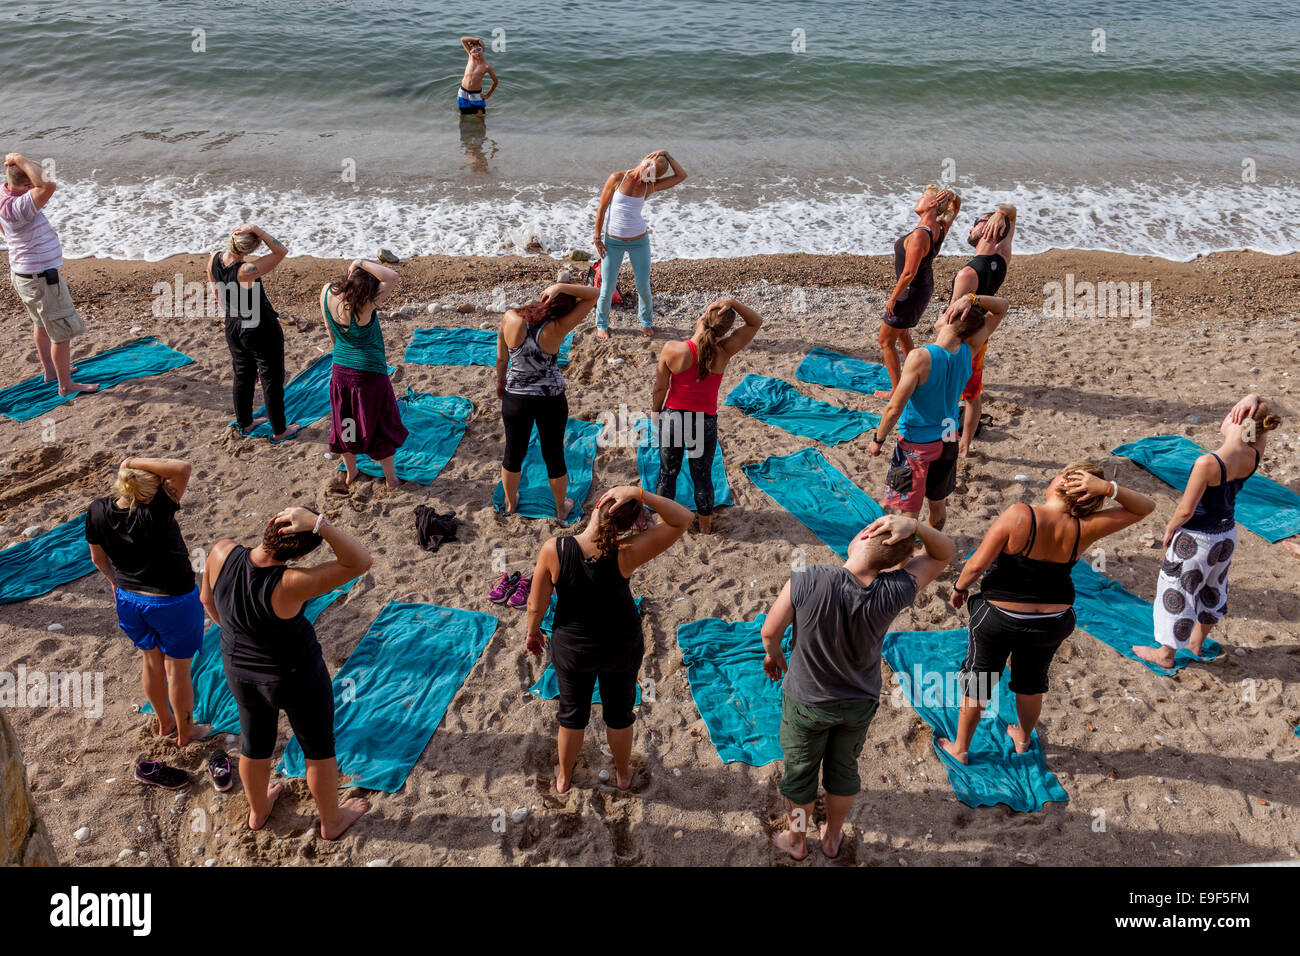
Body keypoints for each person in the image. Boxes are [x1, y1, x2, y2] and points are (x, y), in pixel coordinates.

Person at [761, 513, 955, 861]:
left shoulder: (808, 577)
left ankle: (798, 840)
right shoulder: (895, 589)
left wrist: (774, 655)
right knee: (844, 770)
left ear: (864, 535)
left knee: (800, 774)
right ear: (896, 560)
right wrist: (918, 527)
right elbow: (944, 553)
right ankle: (833, 837)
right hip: (858, 702)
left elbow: (769, 632)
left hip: (807, 701)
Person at [939, 464, 1155, 764]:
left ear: (1062, 481)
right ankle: (1024, 738)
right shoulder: (1086, 526)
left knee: (980, 679)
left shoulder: (1020, 514)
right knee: (1031, 683)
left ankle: (961, 748)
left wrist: (959, 587)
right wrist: (1109, 489)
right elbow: (1146, 507)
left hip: (999, 617)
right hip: (1051, 623)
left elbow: (976, 565)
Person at [200, 506, 372, 839]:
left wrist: (240, 635)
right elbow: (360, 561)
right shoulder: (291, 582)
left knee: (254, 743)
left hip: (239, 670)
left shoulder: (222, 551)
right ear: (300, 554)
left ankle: (258, 810)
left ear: (270, 525)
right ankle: (331, 822)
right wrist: (321, 525)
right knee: (318, 748)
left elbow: (207, 600)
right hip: (294, 676)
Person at [525, 485, 692, 793]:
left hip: (574, 646)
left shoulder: (555, 549)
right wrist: (641, 493)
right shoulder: (627, 553)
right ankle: (624, 775)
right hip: (620, 643)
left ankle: (563, 778)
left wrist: (533, 632)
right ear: (629, 525)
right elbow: (682, 519)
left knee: (572, 713)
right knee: (619, 711)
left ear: (598, 505)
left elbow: (536, 605)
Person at [1135, 394, 1282, 668]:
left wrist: (1170, 528)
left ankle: (1165, 654)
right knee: (1213, 589)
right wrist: (1254, 399)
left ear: (1236, 421)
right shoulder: (1254, 452)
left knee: (1177, 591)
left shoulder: (1208, 463)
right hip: (1226, 535)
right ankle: (1196, 642)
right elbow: (1256, 429)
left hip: (1196, 539)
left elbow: (1186, 510)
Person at [84, 457, 208, 749]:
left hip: (129, 600)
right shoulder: (158, 509)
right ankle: (186, 732)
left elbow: (97, 559)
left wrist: (115, 583)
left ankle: (165, 722)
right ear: (152, 493)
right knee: (177, 669)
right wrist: (132, 460)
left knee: (151, 661)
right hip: (172, 601)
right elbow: (183, 468)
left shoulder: (97, 510)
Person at [869, 292, 1009, 529]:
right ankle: (929, 550)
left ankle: (905, 562)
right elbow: (1002, 307)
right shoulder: (969, 350)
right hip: (947, 439)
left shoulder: (920, 357)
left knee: (908, 512)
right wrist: (972, 299)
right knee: (937, 504)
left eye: (947, 310)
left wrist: (878, 439)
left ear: (951, 320)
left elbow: (894, 408)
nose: (943, 312)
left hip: (916, 444)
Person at [650, 296, 762, 533]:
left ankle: (662, 523)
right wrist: (733, 302)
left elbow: (660, 388)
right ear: (724, 330)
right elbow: (755, 323)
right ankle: (705, 527)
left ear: (702, 317)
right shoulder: (723, 351)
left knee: (667, 473)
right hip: (703, 423)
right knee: (702, 477)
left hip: (674, 419)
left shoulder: (673, 349)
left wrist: (655, 412)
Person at [495, 281, 599, 524]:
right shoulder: (558, 327)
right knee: (553, 455)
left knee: (513, 452)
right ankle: (561, 508)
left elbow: (501, 357)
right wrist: (562, 286)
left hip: (515, 397)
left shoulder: (510, 317)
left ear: (544, 299)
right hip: (549, 399)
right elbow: (595, 294)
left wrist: (501, 381)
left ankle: (511, 503)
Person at [1, 152, 97, 396]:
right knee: (60, 332)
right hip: (41, 278)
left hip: (25, 275)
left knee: (41, 325)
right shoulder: (20, 206)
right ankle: (65, 385)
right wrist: (20, 158)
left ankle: (50, 372)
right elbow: (49, 185)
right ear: (27, 185)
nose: (38, 182)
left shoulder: (4, 195)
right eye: (33, 181)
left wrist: (19, 164)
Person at [321, 259, 407, 491]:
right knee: (379, 425)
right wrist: (359, 261)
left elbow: (331, 333)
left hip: (340, 370)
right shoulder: (365, 305)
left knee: (346, 422)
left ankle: (351, 472)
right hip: (369, 373)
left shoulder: (326, 292)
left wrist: (344, 355)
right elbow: (391, 276)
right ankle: (391, 479)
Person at [209, 223, 297, 440]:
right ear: (250, 250)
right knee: (271, 378)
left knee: (243, 374)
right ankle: (279, 430)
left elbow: (216, 293)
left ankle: (245, 423)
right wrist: (259, 230)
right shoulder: (245, 271)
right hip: (259, 327)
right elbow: (281, 251)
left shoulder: (213, 259)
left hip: (233, 324)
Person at [945, 203, 1017, 457]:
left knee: (950, 393)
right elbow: (1012, 211)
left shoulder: (967, 273)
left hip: (960, 340)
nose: (971, 226)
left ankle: (947, 438)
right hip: (981, 334)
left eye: (976, 222)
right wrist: (1001, 214)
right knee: (973, 394)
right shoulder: (1003, 258)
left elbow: (951, 319)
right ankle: (965, 446)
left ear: (987, 229)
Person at [591, 150, 687, 339]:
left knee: (643, 286)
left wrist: (667, 155)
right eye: (650, 165)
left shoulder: (649, 186)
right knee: (608, 287)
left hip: (639, 242)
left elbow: (681, 176)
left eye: (655, 171)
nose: (649, 171)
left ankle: (646, 322)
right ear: (645, 159)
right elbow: (601, 209)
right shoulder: (617, 178)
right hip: (613, 242)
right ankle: (602, 324)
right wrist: (597, 238)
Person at [876, 185, 961, 397]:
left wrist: (893, 298)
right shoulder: (939, 227)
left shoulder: (920, 236)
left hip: (911, 291)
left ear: (932, 204)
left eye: (923, 196)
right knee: (902, 333)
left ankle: (897, 391)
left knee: (885, 340)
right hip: (923, 288)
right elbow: (956, 208)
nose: (918, 199)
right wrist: (952, 196)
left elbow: (907, 274)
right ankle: (918, 376)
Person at [457, 36, 497, 116]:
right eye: (474, 51)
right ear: (471, 52)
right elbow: (463, 40)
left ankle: (480, 128)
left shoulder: (486, 66)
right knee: (463, 114)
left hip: (476, 94)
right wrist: (476, 40)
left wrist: (488, 94)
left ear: (483, 50)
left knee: (479, 115)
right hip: (463, 91)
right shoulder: (470, 57)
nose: (477, 53)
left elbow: (495, 81)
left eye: (479, 50)